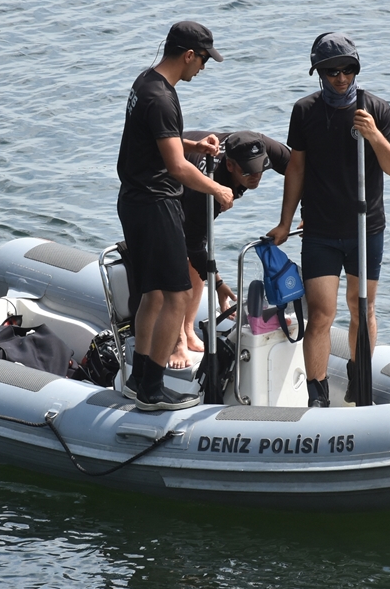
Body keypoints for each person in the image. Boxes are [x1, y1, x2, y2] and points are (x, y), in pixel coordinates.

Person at [267, 33, 390, 407]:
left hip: (366, 228)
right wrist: (285, 222)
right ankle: (318, 396)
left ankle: (361, 384)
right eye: (331, 72)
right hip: (320, 231)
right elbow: (296, 168)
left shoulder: (376, 109)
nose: (341, 78)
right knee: (322, 314)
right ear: (318, 74)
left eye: (348, 70)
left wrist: (373, 134)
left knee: (362, 308)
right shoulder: (306, 111)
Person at [116, 21, 234, 411]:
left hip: (134, 200)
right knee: (179, 295)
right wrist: (216, 188)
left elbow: (157, 138)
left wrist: (193, 144)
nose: (202, 68)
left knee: (153, 293)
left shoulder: (145, 82)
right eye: (203, 60)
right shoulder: (163, 98)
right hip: (155, 204)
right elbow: (177, 168)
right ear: (188, 55)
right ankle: (152, 389)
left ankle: (138, 379)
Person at [170, 130, 291, 369]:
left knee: (194, 262)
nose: (256, 176)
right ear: (230, 165)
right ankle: (177, 341)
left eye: (260, 169)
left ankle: (188, 328)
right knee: (177, 263)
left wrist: (306, 212)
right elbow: (194, 245)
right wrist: (217, 284)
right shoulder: (207, 192)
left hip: (206, 178)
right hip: (168, 180)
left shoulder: (261, 144)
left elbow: (300, 168)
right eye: (248, 171)